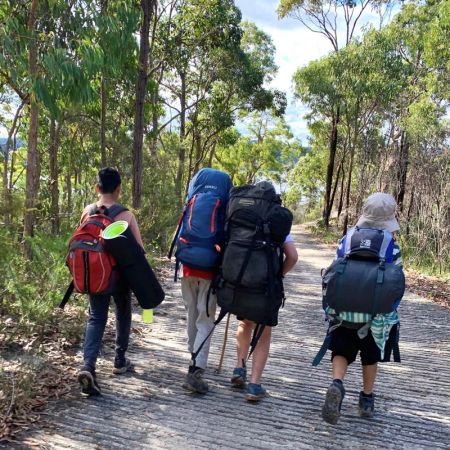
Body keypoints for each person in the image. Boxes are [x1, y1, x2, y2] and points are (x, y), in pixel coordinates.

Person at [321, 192, 404, 424]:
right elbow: (396, 282)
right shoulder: (392, 247)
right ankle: (366, 399)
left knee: (340, 350)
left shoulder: (346, 240)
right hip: (375, 316)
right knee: (370, 357)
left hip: (344, 311)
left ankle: (337, 382)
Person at [77, 167, 144, 397]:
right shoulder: (125, 215)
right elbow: (140, 251)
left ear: (97, 188)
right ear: (118, 190)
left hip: (95, 276)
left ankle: (88, 366)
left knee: (96, 317)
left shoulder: (87, 211)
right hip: (119, 277)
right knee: (123, 313)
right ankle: (119, 359)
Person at [170, 168, 232, 394]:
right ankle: (196, 369)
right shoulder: (224, 198)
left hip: (187, 265)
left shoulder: (193, 198)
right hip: (209, 269)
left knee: (192, 315)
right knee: (205, 319)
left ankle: (193, 356)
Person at [231, 234, 298, 402]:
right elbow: (293, 256)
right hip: (267, 287)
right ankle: (254, 385)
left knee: (244, 323)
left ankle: (239, 368)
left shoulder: (246, 216)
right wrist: (279, 275)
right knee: (263, 332)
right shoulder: (279, 222)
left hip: (244, 282)